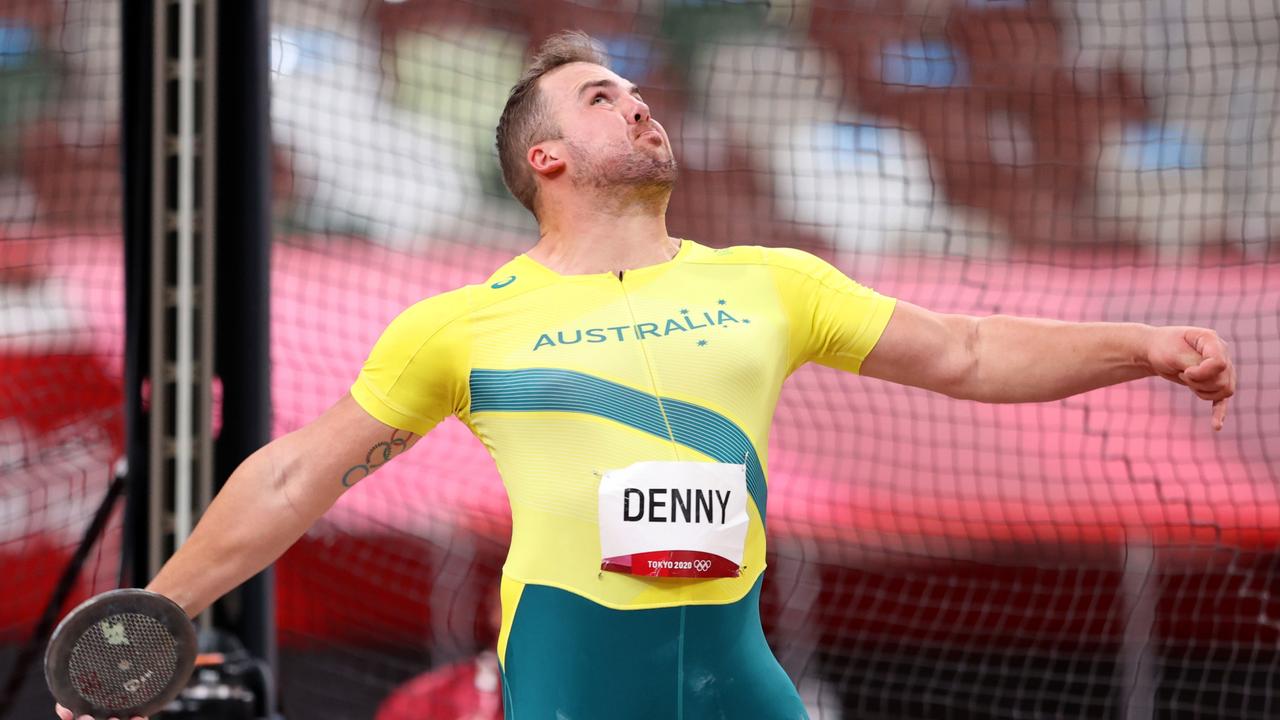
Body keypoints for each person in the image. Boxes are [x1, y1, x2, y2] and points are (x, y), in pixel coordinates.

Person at [57, 29, 1236, 720]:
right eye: (602, 97)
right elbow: (294, 477)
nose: (640, 103)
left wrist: (1135, 346)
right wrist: (157, 613)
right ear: (548, 157)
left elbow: (969, 353)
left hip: (735, 675)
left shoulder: (773, 282)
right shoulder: (462, 325)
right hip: (571, 677)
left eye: (638, 90)